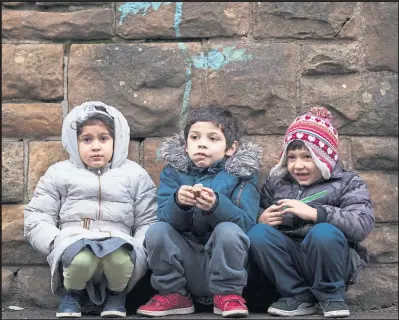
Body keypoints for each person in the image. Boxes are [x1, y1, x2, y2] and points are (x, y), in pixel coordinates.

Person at [24, 101, 158, 318]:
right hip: (73, 241)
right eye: (87, 139)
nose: (96, 146)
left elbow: (149, 219)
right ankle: (71, 294)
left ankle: (117, 295)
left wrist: (140, 247)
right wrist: (54, 241)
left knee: (119, 260)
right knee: (81, 260)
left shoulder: (135, 175)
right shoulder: (59, 173)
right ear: (74, 142)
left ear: (117, 140)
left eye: (103, 138)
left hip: (119, 243)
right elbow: (37, 216)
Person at [247, 106, 375, 318]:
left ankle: (331, 297)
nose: (298, 166)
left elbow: (361, 225)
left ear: (325, 157)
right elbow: (254, 214)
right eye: (292, 157)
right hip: (289, 261)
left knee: (323, 232)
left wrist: (316, 213)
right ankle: (297, 296)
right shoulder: (276, 183)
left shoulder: (348, 183)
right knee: (257, 234)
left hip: (331, 261)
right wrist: (261, 218)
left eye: (308, 157)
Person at [136, 106, 261, 317]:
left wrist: (216, 206)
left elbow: (247, 226)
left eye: (213, 139)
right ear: (186, 145)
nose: (202, 143)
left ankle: (228, 295)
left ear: (231, 148)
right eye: (195, 137)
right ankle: (174, 294)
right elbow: (164, 219)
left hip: (223, 260)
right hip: (186, 260)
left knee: (228, 230)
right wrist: (179, 203)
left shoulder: (243, 174)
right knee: (156, 230)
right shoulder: (173, 172)